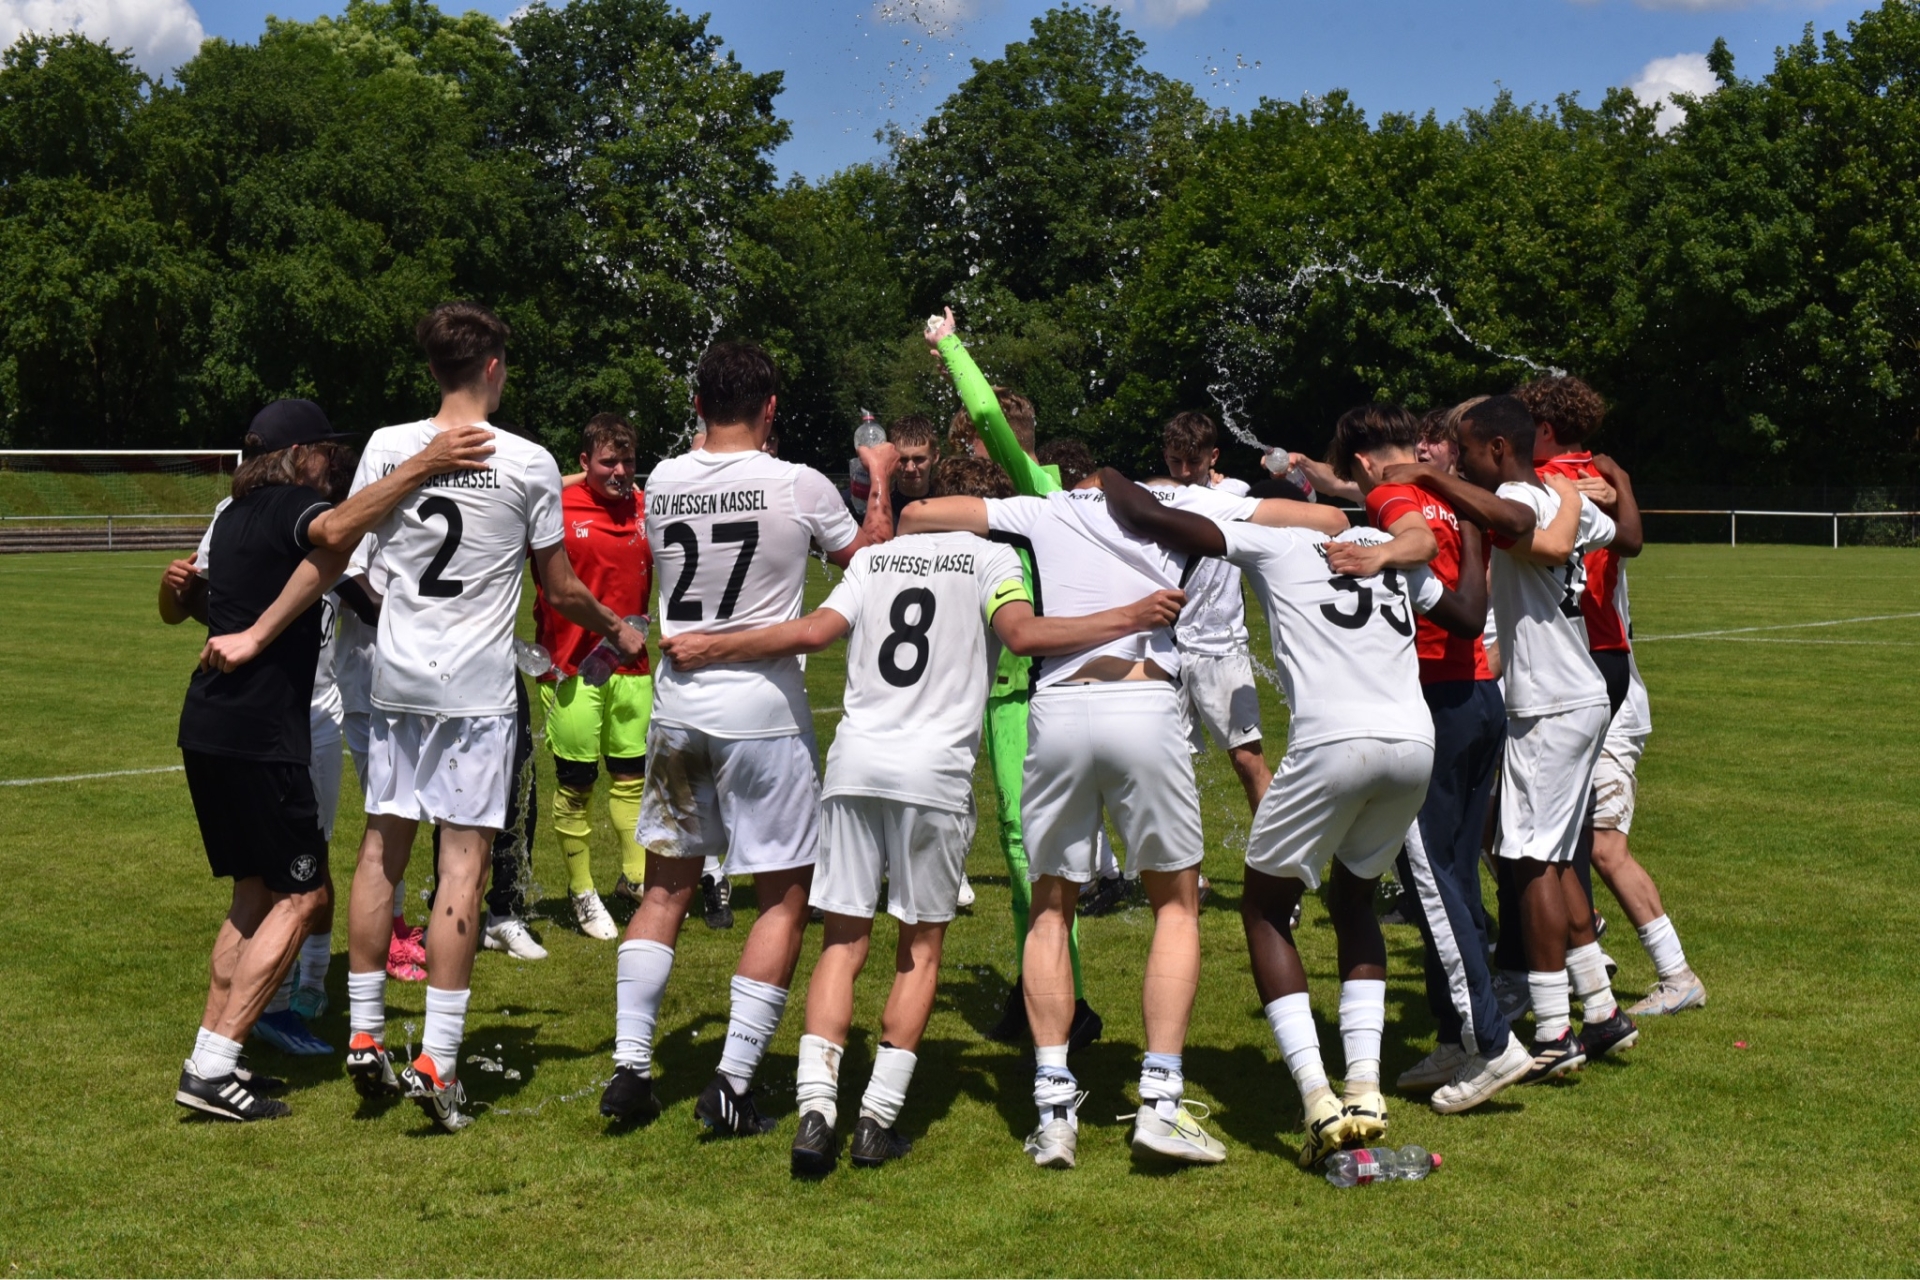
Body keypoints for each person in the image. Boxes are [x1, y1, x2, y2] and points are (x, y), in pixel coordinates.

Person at [662, 455, 1183, 1174]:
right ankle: (875, 1120)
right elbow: (1024, 637)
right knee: (920, 950)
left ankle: (816, 1111)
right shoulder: (994, 558)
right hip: (932, 773)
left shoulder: (875, 560)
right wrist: (1130, 615)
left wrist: (714, 646)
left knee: (843, 943)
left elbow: (813, 632)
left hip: (855, 764)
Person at [901, 449, 1346, 1171]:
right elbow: (1327, 521)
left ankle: (1053, 1113)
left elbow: (920, 514)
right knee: (1176, 905)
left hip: (1057, 706)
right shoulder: (1183, 505)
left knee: (1050, 907)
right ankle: (1161, 1104)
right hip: (1142, 698)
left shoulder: (1044, 508)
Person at [1100, 462, 1470, 1166]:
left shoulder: (1275, 540)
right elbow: (1466, 615)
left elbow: (1150, 518)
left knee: (1266, 909)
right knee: (1355, 900)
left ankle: (1317, 1097)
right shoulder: (1382, 545)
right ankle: (1366, 1087)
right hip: (1413, 743)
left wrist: (1106, 476)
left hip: (1335, 741)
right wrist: (1467, 532)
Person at [339, 303, 646, 1132]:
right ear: (493, 368)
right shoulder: (528, 460)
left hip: (396, 680)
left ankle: (365, 1032)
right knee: (463, 866)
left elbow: (353, 561)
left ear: (433, 368)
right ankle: (438, 1058)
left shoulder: (387, 445)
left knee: (381, 846)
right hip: (474, 691)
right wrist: (616, 626)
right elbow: (559, 588)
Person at [597, 341, 898, 1136]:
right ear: (770, 409)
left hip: (678, 709)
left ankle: (631, 1066)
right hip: (764, 714)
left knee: (663, 890)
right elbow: (871, 563)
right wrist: (879, 478)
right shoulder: (798, 483)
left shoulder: (664, 478)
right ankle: (732, 1081)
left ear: (698, 404)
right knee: (783, 899)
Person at [171, 397, 492, 1120]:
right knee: (306, 897)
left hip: (211, 722)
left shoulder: (235, 514)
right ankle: (215, 1065)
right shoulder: (291, 505)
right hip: (260, 735)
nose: (335, 465)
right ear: (298, 455)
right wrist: (425, 464)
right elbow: (338, 530)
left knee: (253, 896)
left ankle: (210, 1057)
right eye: (325, 451)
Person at [1380, 395, 1637, 1083]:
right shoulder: (1555, 493)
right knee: (1556, 858)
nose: (1458, 462)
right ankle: (1602, 1009)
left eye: (1465, 450)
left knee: (1526, 862)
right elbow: (1625, 535)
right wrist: (1594, 488)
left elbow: (1530, 534)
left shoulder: (1519, 499)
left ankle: (1553, 1028)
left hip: (1549, 702)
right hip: (1578, 691)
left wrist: (1429, 478)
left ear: (1496, 449)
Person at [1321, 403, 1533, 1115]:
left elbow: (1408, 539)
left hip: (1435, 700)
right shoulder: (1450, 493)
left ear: (1361, 463)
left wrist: (1382, 552)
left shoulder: (1390, 494)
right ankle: (1454, 1033)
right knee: (1456, 875)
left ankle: (1492, 1042)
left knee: (1431, 879)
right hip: (1479, 694)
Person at [925, 308, 1102, 1051]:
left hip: (1026, 697)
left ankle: (1065, 1006)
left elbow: (988, 414)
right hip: (1022, 693)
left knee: (1032, 857)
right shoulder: (1028, 505)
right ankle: (1044, 996)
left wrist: (949, 347)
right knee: (1031, 853)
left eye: (973, 441)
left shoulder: (1035, 491)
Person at [1519, 376, 1705, 1015]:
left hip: (1599, 682)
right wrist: (1616, 478)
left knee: (1599, 845)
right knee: (1552, 838)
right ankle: (1583, 949)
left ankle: (1676, 974)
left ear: (1543, 429)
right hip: (1587, 678)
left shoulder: (1555, 483)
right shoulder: (1590, 477)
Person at [536, 413, 657, 942]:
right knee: (577, 781)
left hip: (633, 666)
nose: (620, 472)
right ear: (584, 461)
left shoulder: (646, 506)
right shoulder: (554, 505)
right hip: (571, 666)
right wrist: (567, 480)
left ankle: (634, 879)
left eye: (628, 461)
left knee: (632, 776)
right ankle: (582, 890)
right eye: (608, 462)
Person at [1161, 411, 1276, 817]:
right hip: (1165, 649)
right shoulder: (1155, 500)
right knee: (1165, 767)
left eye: (1194, 461)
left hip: (1222, 648)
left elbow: (1298, 500)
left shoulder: (1235, 494)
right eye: (1175, 461)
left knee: (1247, 760)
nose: (1184, 472)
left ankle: (1275, 852)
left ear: (1213, 457)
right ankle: (1181, 858)